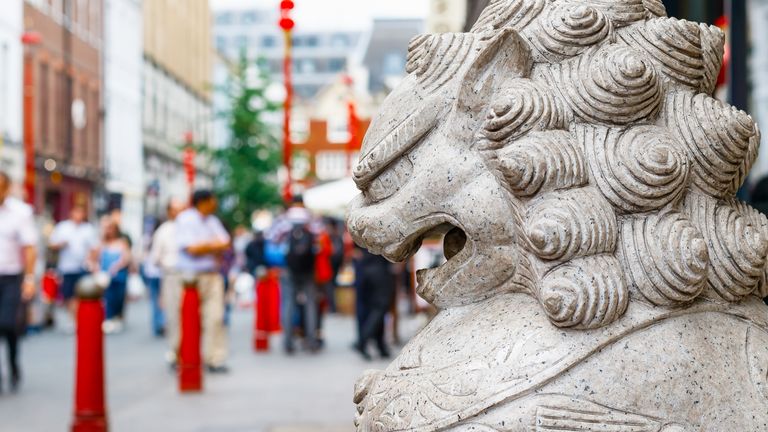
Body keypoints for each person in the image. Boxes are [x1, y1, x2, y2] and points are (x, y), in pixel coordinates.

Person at [175, 190, 231, 373]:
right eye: (213, 200)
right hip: (190, 278)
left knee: (215, 317)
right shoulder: (185, 219)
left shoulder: (213, 221)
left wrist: (204, 246)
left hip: (212, 275)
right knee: (187, 319)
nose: (215, 203)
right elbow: (191, 249)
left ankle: (214, 357)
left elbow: (225, 243)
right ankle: (183, 356)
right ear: (204, 201)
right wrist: (212, 245)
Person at [0, 172, 37, 392]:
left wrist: (30, 279)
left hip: (12, 276)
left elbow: (30, 248)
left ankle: (13, 363)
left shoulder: (20, 213)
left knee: (6, 323)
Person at [268, 196, 320, 354]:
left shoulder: (282, 221)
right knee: (311, 304)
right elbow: (321, 243)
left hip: (288, 269)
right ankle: (311, 341)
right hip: (308, 269)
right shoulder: (311, 219)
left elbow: (270, 241)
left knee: (288, 304)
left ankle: (288, 343)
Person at [49, 204, 98, 328]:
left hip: (83, 267)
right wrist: (61, 244)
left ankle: (79, 319)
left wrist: (92, 261)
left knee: (81, 293)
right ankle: (73, 318)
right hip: (67, 267)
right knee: (68, 294)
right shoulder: (63, 227)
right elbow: (52, 244)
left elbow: (94, 248)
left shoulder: (88, 229)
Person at [149, 199, 185, 361]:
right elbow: (155, 258)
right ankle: (175, 350)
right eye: (176, 209)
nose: (179, 212)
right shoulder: (163, 231)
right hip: (172, 275)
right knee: (174, 315)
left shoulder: (190, 227)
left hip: (192, 275)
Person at [353, 247, 395, 361]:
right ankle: (363, 341)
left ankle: (381, 347)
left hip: (366, 270)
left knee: (375, 310)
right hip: (379, 271)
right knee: (379, 310)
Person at [99, 221, 131, 334]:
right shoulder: (102, 243)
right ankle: (108, 318)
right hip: (105, 277)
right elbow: (95, 257)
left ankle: (118, 317)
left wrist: (117, 266)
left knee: (119, 297)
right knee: (107, 298)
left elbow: (127, 258)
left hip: (119, 276)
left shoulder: (122, 242)